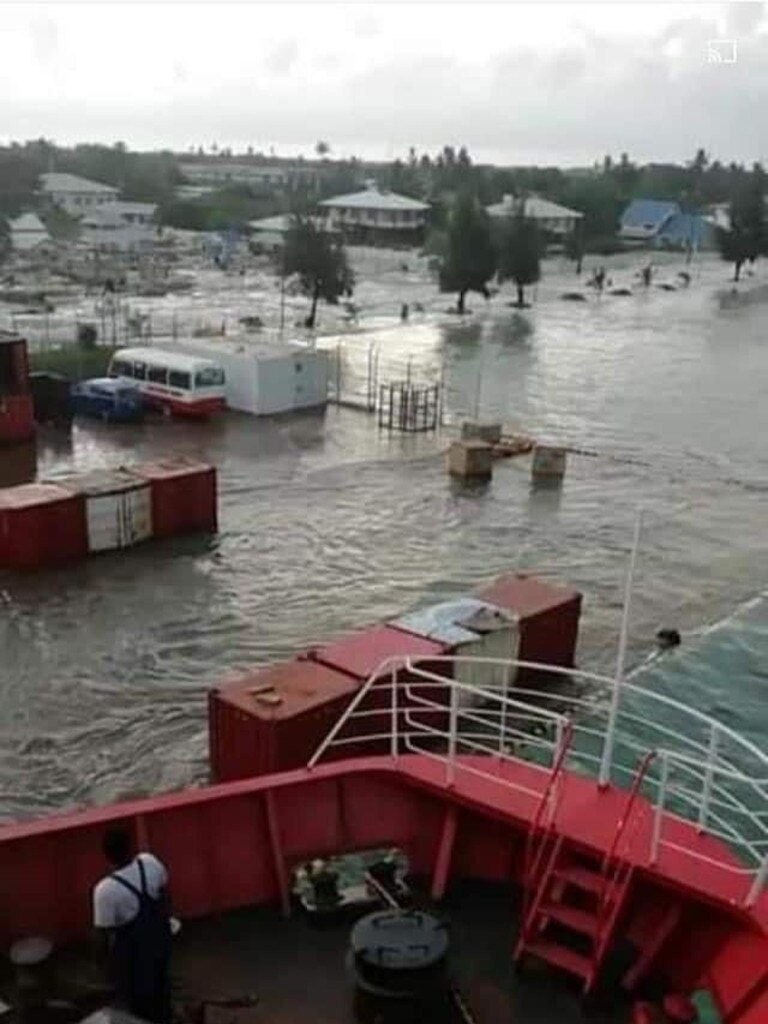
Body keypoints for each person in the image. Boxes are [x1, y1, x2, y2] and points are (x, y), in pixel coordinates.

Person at [93, 825, 173, 1024]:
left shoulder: (106, 890)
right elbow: (166, 896)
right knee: (161, 985)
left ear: (106, 856)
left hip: (135, 959)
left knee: (139, 1003)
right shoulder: (150, 862)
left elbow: (102, 936)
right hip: (162, 941)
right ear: (131, 847)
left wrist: (103, 969)